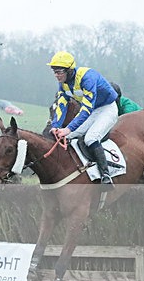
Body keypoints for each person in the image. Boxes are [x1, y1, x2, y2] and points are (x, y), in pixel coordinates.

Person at [47, 51, 118, 189]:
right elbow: (61, 105)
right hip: (93, 111)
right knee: (67, 137)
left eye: (59, 71)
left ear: (69, 70)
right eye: (54, 72)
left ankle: (106, 175)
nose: (56, 75)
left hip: (107, 108)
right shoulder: (63, 84)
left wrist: (68, 128)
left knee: (90, 138)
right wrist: (56, 126)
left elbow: (86, 109)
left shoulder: (87, 78)